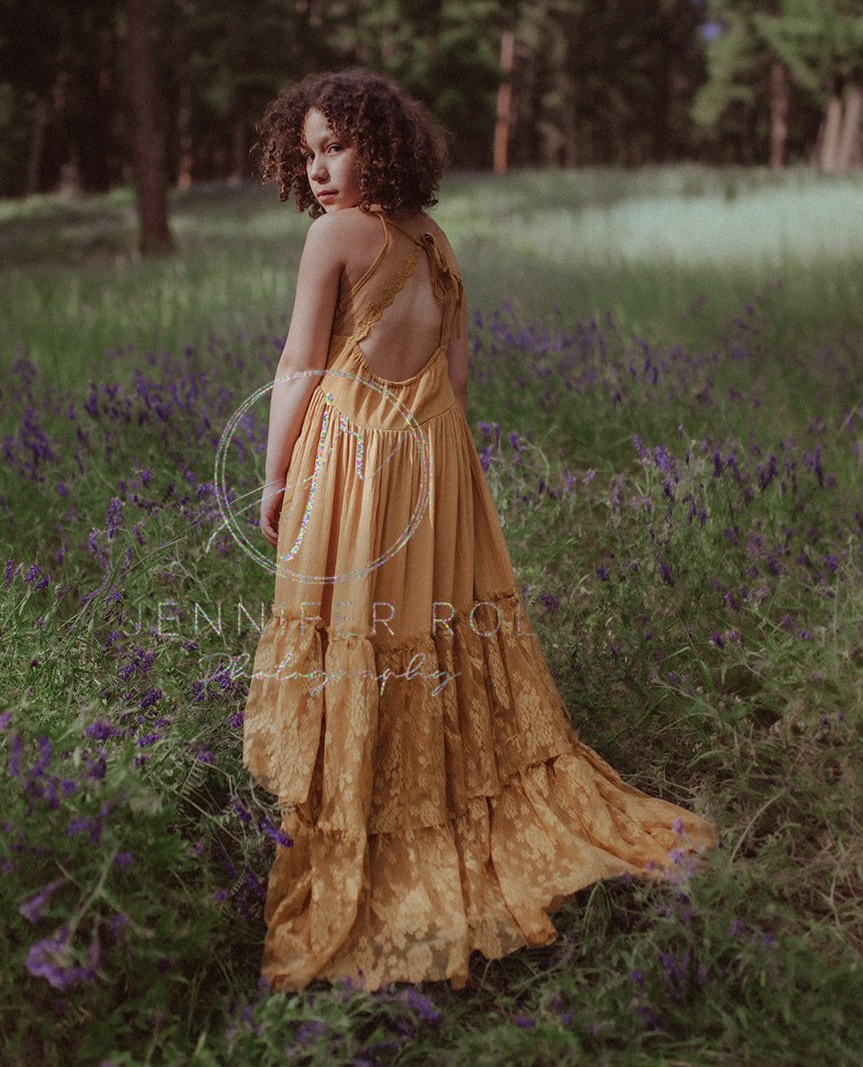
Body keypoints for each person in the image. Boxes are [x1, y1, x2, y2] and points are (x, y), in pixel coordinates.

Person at [241, 69, 715, 993]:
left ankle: (369, 812)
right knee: (429, 635)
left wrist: (271, 474)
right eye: (309, 154)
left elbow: (299, 364)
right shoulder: (435, 241)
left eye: (335, 146)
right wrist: (441, 478)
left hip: (358, 463)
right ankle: (434, 791)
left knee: (358, 638)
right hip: (434, 464)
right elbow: (456, 376)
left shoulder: (336, 236)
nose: (322, 169)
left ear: (378, 143)